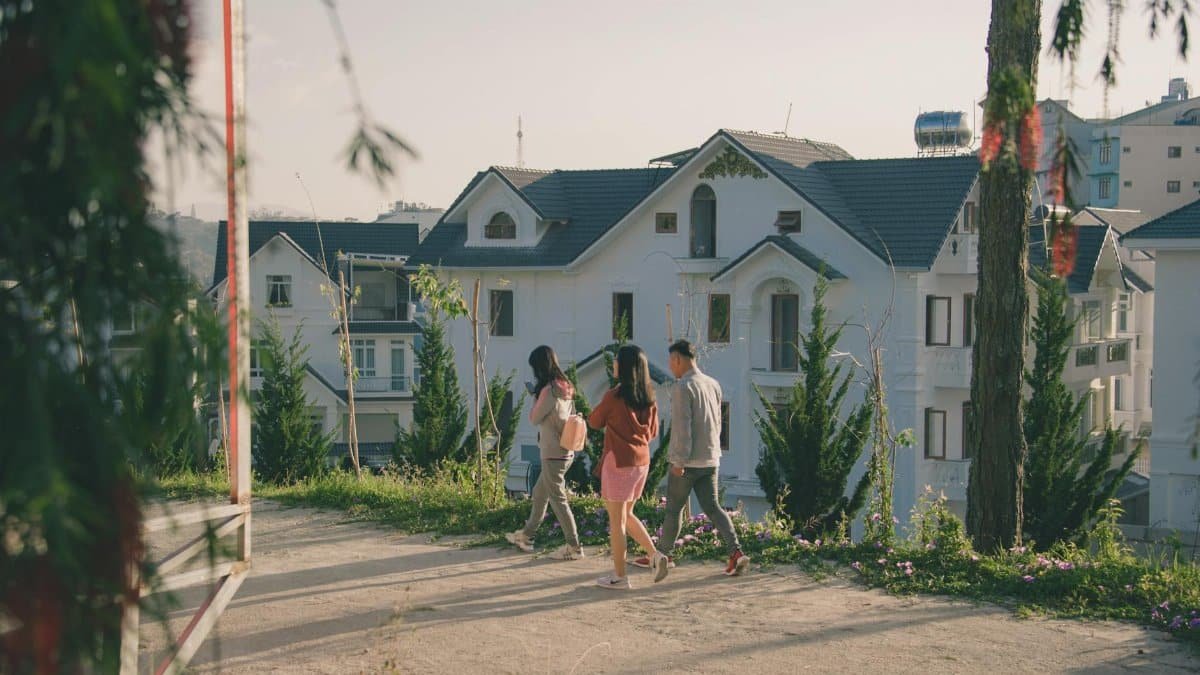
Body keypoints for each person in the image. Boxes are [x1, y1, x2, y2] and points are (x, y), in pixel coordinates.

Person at [633, 340, 749, 578]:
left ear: (678, 360)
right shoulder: (713, 384)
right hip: (711, 457)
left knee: (673, 510)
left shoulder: (682, 387)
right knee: (714, 508)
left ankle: (663, 555)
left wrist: (679, 461)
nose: (670, 366)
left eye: (670, 361)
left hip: (687, 461)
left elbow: (682, 428)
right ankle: (735, 552)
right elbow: (717, 423)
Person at [588, 344, 667, 590]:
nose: (613, 365)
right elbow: (653, 433)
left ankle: (620, 577)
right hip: (641, 463)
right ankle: (656, 556)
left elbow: (594, 421)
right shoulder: (650, 397)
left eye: (616, 362)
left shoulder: (614, 396)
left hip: (619, 462)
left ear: (624, 368)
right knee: (627, 515)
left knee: (616, 522)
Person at [505, 346, 584, 560]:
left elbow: (534, 418)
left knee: (558, 499)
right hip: (566, 451)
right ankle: (527, 537)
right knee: (540, 494)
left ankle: (574, 546)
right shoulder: (566, 386)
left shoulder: (548, 390)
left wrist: (536, 397)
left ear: (540, 367)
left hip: (552, 452)